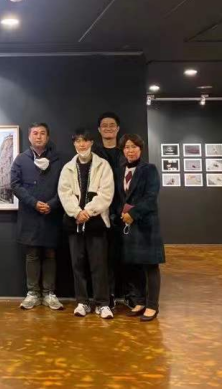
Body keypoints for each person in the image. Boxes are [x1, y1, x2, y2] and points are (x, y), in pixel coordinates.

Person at [58, 129, 114, 319]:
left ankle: (102, 304)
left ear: (91, 143)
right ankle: (82, 302)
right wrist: (77, 212)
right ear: (74, 144)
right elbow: (64, 193)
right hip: (74, 222)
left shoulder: (103, 165)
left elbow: (106, 193)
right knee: (77, 264)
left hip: (96, 222)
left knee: (99, 265)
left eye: (85, 141)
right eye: (78, 141)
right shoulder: (67, 168)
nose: (81, 145)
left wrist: (88, 212)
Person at [11, 123, 64, 311]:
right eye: (35, 133)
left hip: (52, 214)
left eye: (42, 133)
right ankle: (32, 293)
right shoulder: (21, 159)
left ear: (48, 137)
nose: (39, 136)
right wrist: (34, 203)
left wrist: (52, 204)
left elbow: (66, 186)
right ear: (29, 137)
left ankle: (49, 293)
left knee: (50, 254)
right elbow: (15, 185)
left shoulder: (58, 160)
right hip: (30, 214)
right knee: (32, 254)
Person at [115, 134, 165, 322]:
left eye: (134, 146)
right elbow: (118, 198)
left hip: (145, 225)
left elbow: (151, 198)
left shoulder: (149, 169)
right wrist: (121, 214)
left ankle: (152, 306)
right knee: (134, 266)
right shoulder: (120, 171)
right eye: (127, 147)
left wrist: (133, 214)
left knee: (150, 266)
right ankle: (140, 301)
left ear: (141, 149)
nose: (130, 150)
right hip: (127, 225)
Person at [92, 112, 131, 308]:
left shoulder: (126, 152)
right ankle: (108, 295)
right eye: (104, 125)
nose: (108, 128)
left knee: (128, 255)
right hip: (101, 212)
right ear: (99, 130)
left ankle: (131, 294)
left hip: (125, 212)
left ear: (118, 128)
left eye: (112, 125)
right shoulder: (93, 153)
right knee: (104, 257)